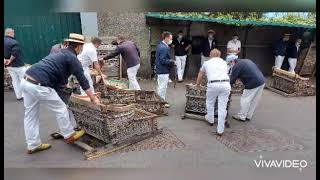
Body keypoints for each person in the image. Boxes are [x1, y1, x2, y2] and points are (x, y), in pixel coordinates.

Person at [20, 33, 99, 154]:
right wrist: (93, 98)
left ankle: (33, 145)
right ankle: (69, 134)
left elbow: (56, 74)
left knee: (30, 115)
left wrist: (66, 88)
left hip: (26, 80)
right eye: (81, 47)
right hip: (38, 84)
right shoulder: (73, 58)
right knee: (61, 107)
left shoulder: (59, 53)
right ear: (79, 47)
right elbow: (82, 80)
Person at [196, 49, 231, 136]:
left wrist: (198, 84)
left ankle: (211, 120)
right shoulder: (224, 62)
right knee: (222, 107)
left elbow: (200, 74)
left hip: (213, 84)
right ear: (219, 55)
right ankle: (220, 130)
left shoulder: (207, 63)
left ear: (210, 55)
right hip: (226, 84)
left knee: (210, 102)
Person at [226, 55, 266, 122]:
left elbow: (232, 79)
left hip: (253, 82)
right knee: (254, 100)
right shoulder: (246, 60)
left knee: (245, 99)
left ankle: (242, 116)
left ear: (232, 61)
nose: (230, 65)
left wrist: (227, 88)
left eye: (229, 64)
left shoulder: (237, 66)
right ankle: (248, 116)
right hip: (261, 81)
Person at [4, 28, 27, 101]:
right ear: (9, 33)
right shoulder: (14, 42)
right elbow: (14, 53)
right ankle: (25, 96)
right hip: (18, 65)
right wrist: (10, 60)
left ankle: (19, 96)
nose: (14, 34)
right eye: (13, 33)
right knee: (23, 79)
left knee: (15, 80)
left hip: (9, 66)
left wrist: (5, 60)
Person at [155, 31, 175, 107]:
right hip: (163, 70)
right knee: (162, 87)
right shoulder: (164, 47)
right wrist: (171, 61)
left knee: (160, 87)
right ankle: (161, 103)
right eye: (170, 38)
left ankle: (160, 101)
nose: (171, 40)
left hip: (160, 69)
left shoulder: (161, 45)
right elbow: (162, 60)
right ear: (166, 38)